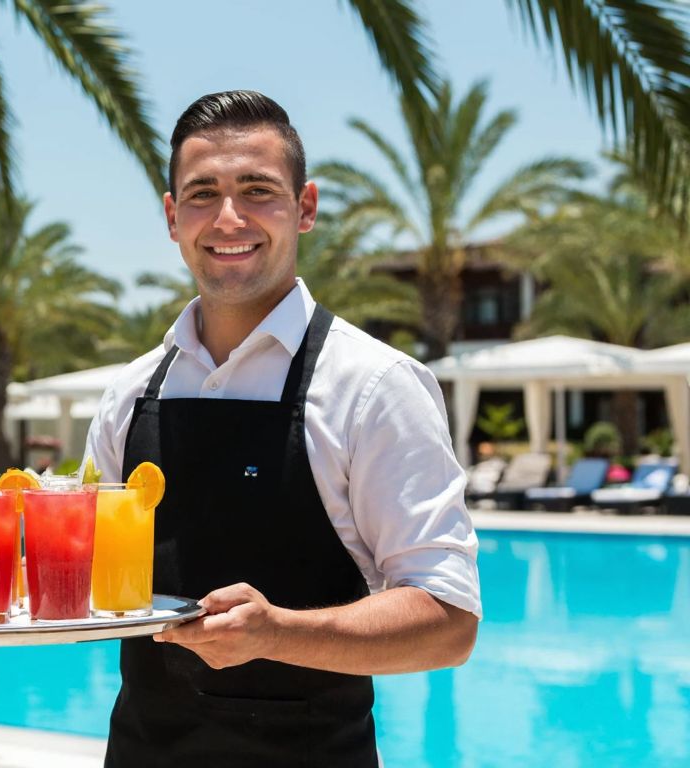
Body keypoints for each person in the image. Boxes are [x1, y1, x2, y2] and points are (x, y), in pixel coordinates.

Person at [84, 91, 481, 766]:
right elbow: (86, 580)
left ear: (306, 207)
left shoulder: (374, 386)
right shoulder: (129, 394)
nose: (228, 217)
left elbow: (448, 623)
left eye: (258, 190)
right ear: (173, 217)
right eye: (203, 193)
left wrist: (277, 634)